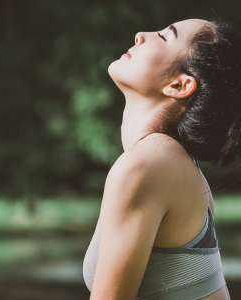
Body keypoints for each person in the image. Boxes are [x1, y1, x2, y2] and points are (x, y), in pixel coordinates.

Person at [83, 18, 241, 299]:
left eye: (164, 37)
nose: (140, 35)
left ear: (180, 85)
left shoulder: (147, 166)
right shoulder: (173, 163)